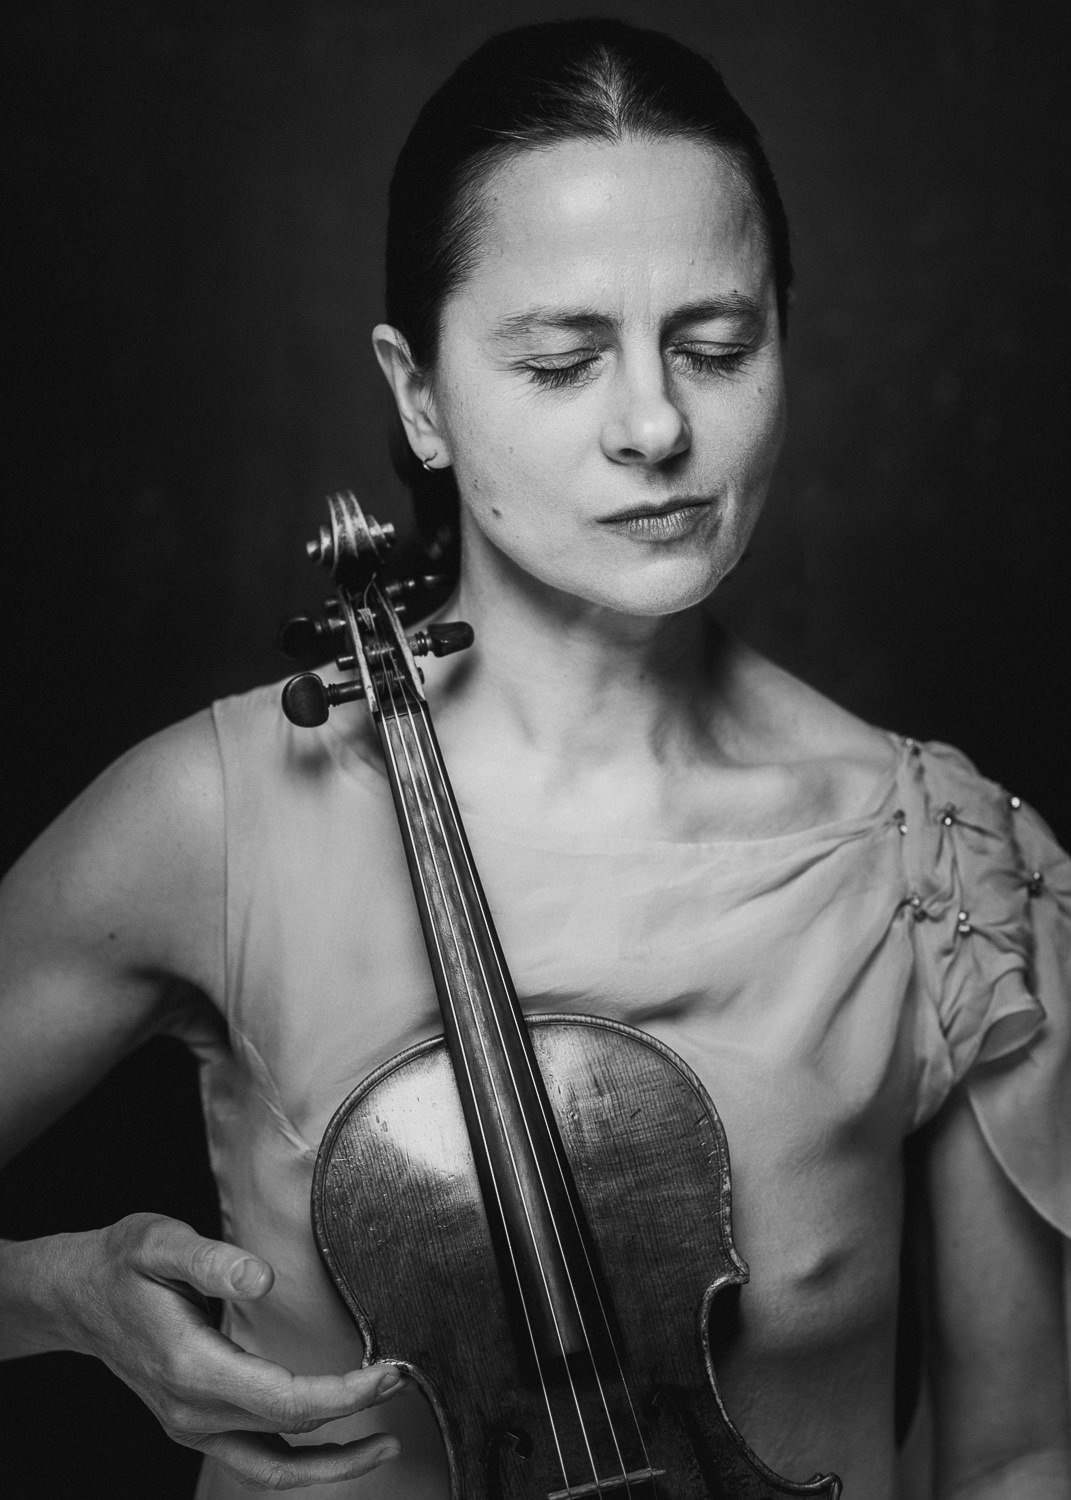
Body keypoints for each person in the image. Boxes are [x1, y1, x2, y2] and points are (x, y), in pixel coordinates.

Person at [1, 16, 1068, 1498]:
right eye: (564, 362)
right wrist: (54, 1298)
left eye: (717, 345)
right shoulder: (211, 822)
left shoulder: (938, 863)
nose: (655, 424)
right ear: (420, 395)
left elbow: (1021, 1454)